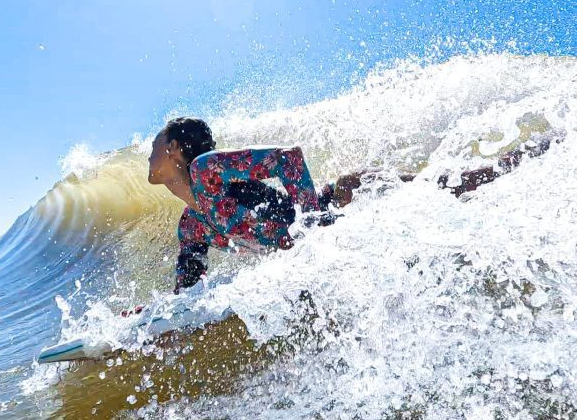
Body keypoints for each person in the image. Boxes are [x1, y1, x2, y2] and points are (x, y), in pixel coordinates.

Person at [147, 117, 553, 293]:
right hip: (332, 231)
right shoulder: (192, 225)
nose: (148, 158)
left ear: (173, 149)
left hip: (343, 204)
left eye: (153, 148)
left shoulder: (206, 170)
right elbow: (190, 294)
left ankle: (521, 159)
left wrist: (311, 223)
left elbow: (288, 158)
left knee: (452, 187)